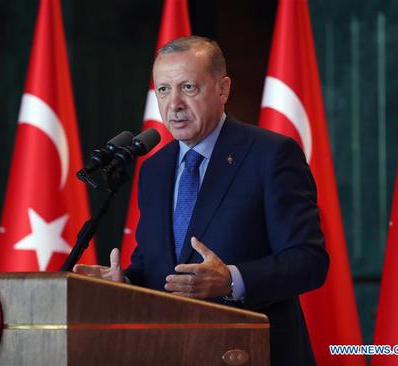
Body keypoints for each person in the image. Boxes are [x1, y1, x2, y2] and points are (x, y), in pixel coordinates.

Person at [74, 36, 329, 365]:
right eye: (163, 90)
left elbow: (309, 261)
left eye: (188, 88)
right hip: (172, 352)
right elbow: (155, 265)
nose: (174, 103)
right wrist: (124, 282)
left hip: (254, 352)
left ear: (223, 89)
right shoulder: (154, 168)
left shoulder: (270, 155)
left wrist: (231, 280)